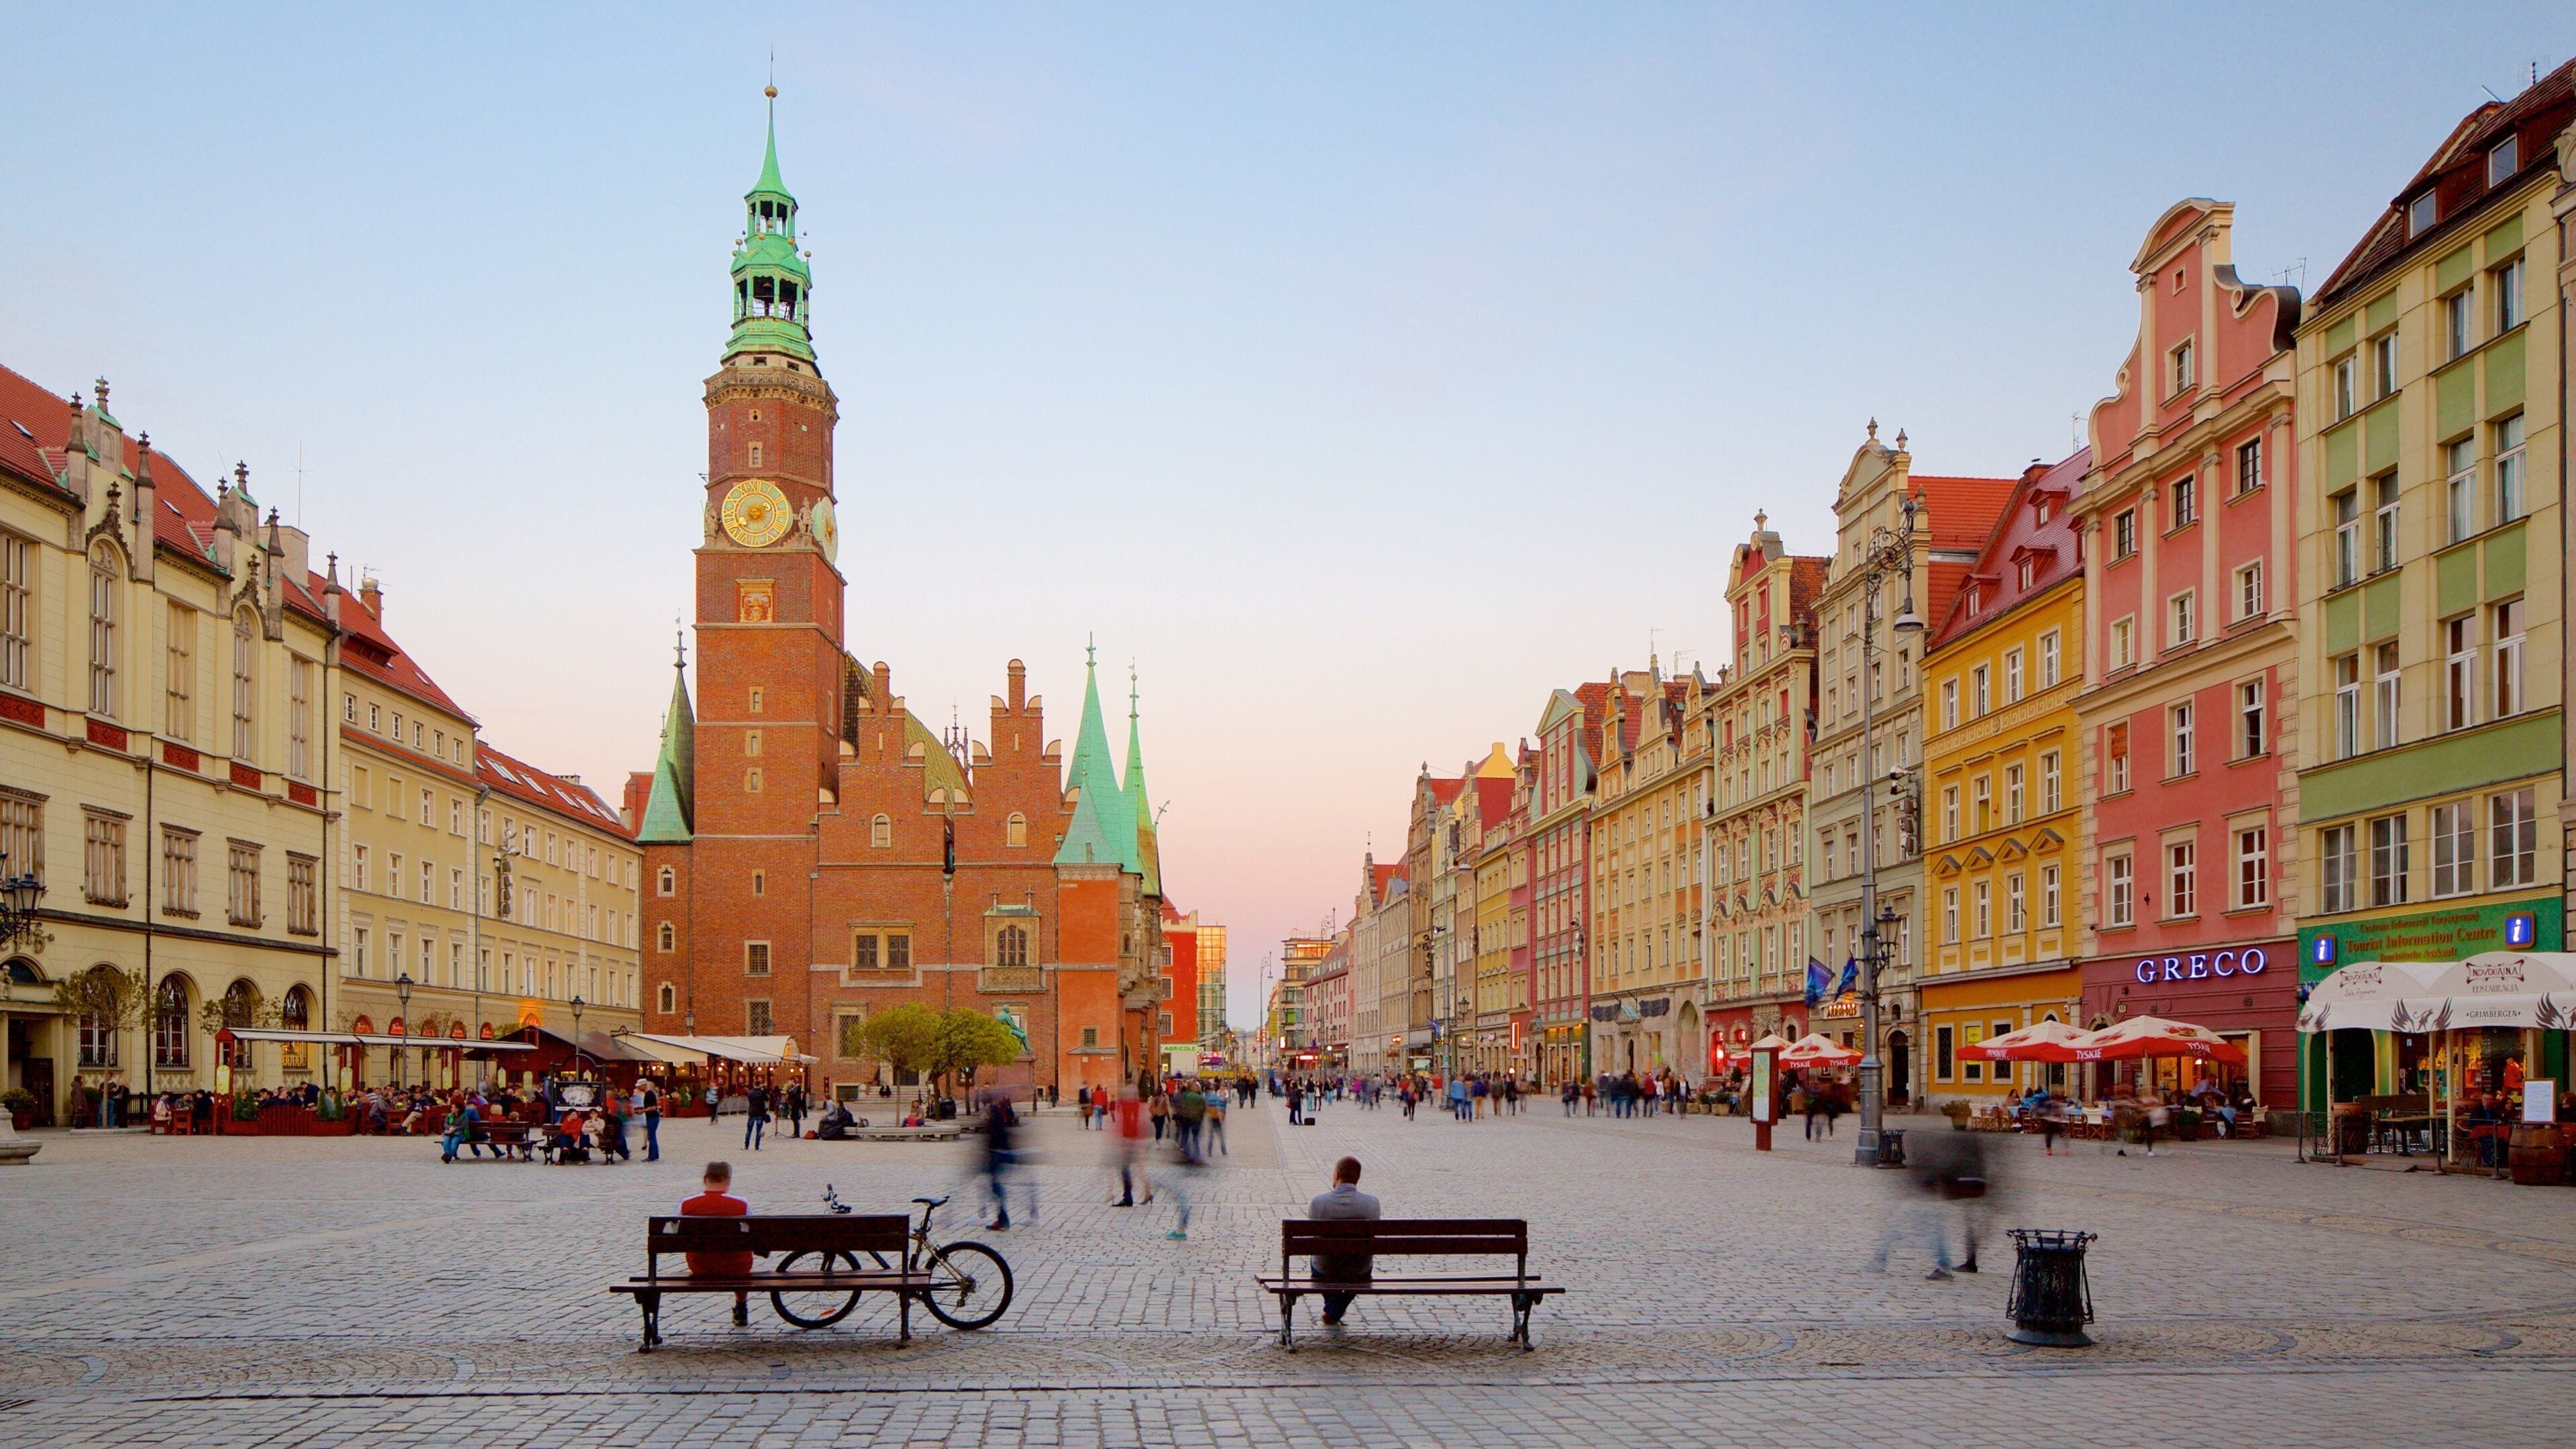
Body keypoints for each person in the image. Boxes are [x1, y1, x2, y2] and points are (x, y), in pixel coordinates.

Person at [1307, 1156, 1382, 1328]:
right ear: (1358, 1177)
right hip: (1359, 1270)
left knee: (1319, 1259)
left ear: (1336, 1175)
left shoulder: (1318, 1203)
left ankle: (1333, 1309)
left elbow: (1314, 1237)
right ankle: (1334, 1310)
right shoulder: (1372, 1203)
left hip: (1325, 1269)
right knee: (1360, 1266)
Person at [682, 1161, 756, 1325]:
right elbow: (752, 1234)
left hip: (701, 1266)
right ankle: (741, 1307)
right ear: (728, 1180)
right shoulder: (742, 1204)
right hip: (736, 1268)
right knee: (740, 1256)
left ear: (705, 1179)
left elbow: (670, 1231)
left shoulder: (687, 1204)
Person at [637, 1079, 663, 1163]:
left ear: (644, 1085)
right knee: (652, 1136)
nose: (638, 1088)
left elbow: (653, 1107)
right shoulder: (649, 1094)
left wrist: (643, 1110)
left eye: (640, 1086)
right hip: (652, 1117)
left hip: (652, 1117)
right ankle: (655, 1155)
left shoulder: (649, 1094)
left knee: (651, 1137)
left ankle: (652, 1156)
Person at [743, 1083, 770, 1151]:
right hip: (760, 1114)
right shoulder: (762, 1093)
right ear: (759, 1086)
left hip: (752, 1112)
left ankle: (746, 1146)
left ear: (753, 1085)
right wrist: (763, 1090)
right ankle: (757, 1147)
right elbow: (767, 1099)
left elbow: (749, 1099)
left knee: (749, 1130)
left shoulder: (750, 1092)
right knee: (759, 1131)